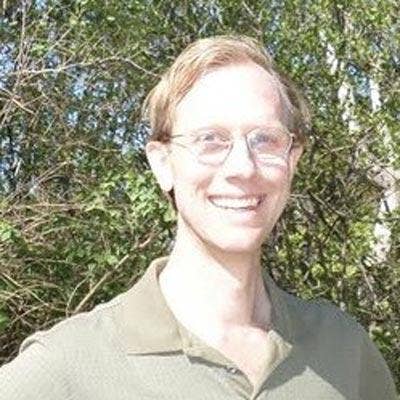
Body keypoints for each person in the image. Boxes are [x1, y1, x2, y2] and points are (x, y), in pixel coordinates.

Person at [0, 35, 397, 400]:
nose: (243, 167)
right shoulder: (69, 367)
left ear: (292, 160)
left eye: (265, 139)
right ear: (162, 164)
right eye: (210, 140)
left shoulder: (344, 351)